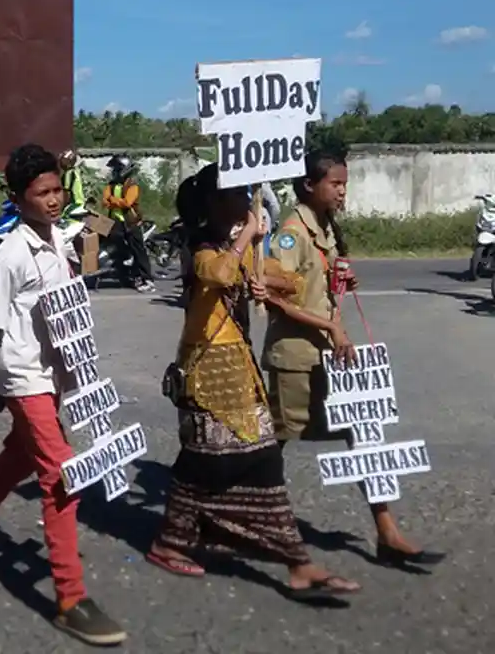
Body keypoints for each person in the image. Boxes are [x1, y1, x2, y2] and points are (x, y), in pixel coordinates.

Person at [0, 144, 127, 647]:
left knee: (20, 458)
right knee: (61, 473)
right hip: (23, 378)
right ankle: (70, 598)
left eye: (57, 189)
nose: (54, 199)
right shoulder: (9, 256)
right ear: (18, 200)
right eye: (42, 193)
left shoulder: (60, 243)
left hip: (55, 376)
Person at [146, 163, 361, 602]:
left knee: (260, 460)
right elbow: (219, 274)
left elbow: (283, 280)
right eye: (237, 195)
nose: (246, 202)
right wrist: (247, 237)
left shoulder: (240, 245)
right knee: (208, 462)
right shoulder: (202, 245)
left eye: (248, 194)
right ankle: (174, 540)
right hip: (207, 372)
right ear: (215, 203)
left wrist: (272, 278)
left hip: (239, 368)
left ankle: (292, 560)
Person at [263, 149, 445, 568]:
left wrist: (340, 280)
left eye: (345, 183)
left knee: (364, 437)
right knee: (271, 445)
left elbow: (313, 283)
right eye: (336, 184)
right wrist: (329, 326)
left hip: (332, 357)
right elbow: (271, 294)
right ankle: (238, 511)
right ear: (310, 185)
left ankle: (387, 531)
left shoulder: (325, 227)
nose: (344, 191)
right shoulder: (291, 231)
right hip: (297, 358)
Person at [102, 155, 155, 293]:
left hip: (131, 222)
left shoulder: (132, 185)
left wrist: (112, 200)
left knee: (138, 250)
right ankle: (126, 275)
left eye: (116, 169)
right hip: (116, 223)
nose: (113, 172)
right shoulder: (111, 185)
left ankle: (147, 278)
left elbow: (127, 202)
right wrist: (114, 201)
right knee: (116, 249)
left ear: (124, 170)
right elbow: (104, 201)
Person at [58, 150, 86, 215]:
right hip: (80, 203)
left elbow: (66, 192)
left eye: (63, 161)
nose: (61, 163)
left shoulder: (68, 173)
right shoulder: (76, 171)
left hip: (73, 204)